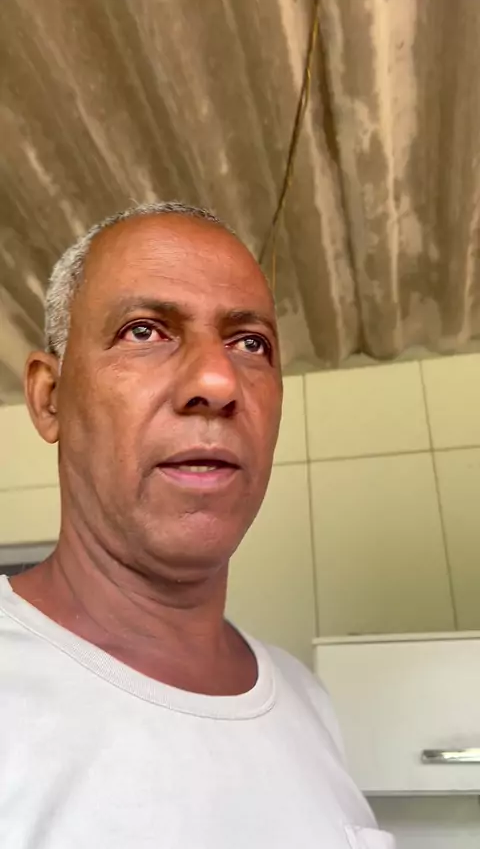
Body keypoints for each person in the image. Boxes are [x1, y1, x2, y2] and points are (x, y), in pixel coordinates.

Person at [0, 202, 394, 848]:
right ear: (49, 399)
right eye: (144, 331)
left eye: (250, 344)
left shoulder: (305, 698)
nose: (218, 380)